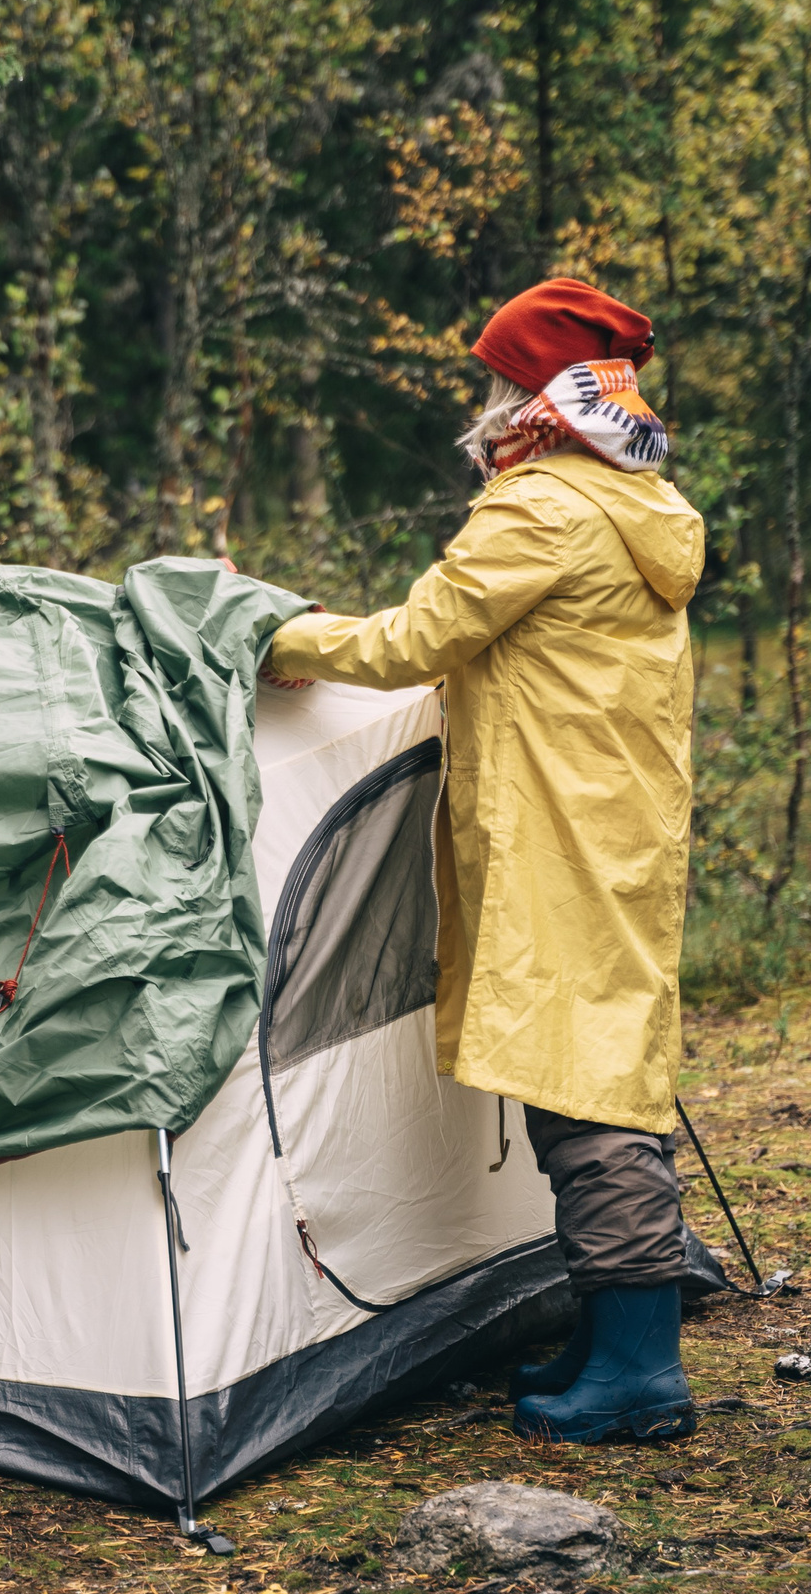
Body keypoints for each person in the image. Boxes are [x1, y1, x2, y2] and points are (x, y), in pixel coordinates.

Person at [263, 278, 706, 1444]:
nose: (487, 405)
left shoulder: (541, 511)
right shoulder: (633, 499)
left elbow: (419, 636)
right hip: (611, 823)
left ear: (534, 393)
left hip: (556, 829)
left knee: (582, 1091)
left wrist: (282, 637)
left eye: (499, 384)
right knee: (603, 1064)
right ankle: (613, 1335)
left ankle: (638, 1372)